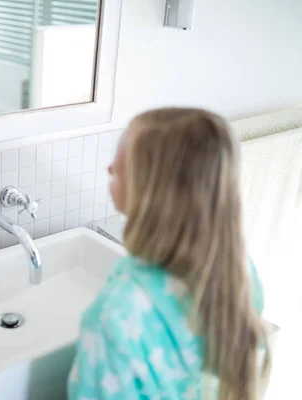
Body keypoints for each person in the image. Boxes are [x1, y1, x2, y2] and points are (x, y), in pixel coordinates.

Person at [68, 108, 272, 399]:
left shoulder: (115, 318)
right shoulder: (239, 272)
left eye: (124, 160)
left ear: (154, 190)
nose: (110, 167)